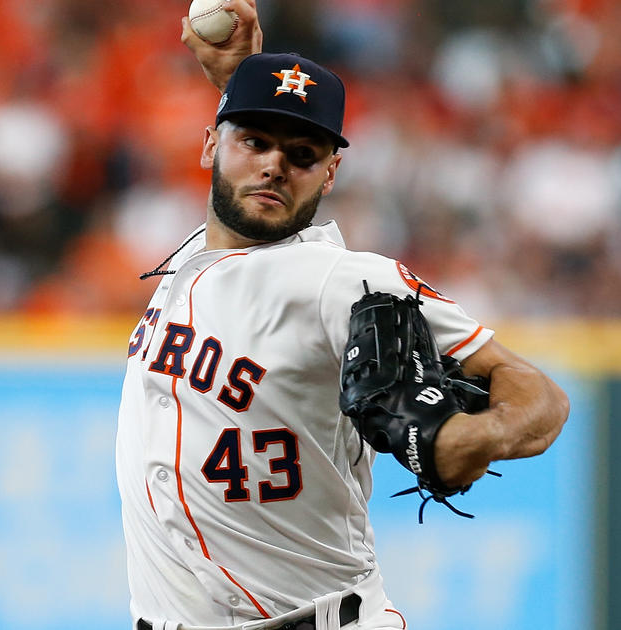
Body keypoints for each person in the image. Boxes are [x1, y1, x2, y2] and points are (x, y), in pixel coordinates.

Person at [115, 2, 570, 628]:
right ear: (209, 144)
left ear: (329, 173)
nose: (275, 164)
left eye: (303, 155)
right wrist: (245, 75)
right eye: (255, 142)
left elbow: (541, 395)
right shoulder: (194, 253)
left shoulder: (342, 279)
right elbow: (246, 164)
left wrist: (474, 436)